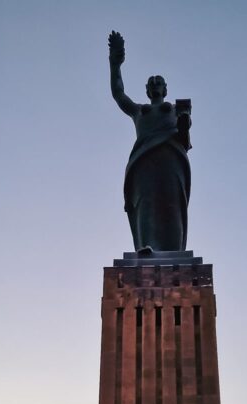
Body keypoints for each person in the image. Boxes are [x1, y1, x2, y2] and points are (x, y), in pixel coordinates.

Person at [108, 31, 192, 253]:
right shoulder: (139, 111)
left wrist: (184, 121)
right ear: (147, 90)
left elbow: (184, 140)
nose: (155, 85)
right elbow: (119, 94)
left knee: (171, 204)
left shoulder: (175, 110)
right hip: (144, 159)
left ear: (165, 89)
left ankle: (174, 250)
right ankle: (147, 246)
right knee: (145, 203)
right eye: (151, 83)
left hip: (171, 158)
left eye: (159, 83)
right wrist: (115, 64)